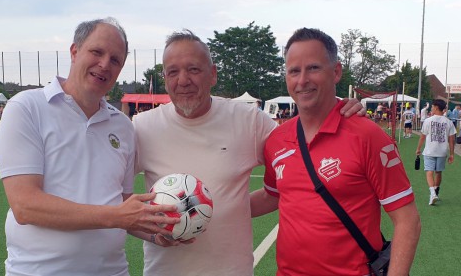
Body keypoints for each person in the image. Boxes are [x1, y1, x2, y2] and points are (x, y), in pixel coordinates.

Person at [133, 29, 365, 276]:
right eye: (173, 72)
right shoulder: (141, 127)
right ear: (164, 77)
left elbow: (304, 155)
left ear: (213, 74)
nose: (183, 80)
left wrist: (337, 109)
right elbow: (116, 200)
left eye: (194, 69)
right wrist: (153, 233)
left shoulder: (248, 121)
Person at [0, 17, 179, 276]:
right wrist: (117, 217)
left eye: (115, 60)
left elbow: (122, 203)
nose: (105, 64)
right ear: (74, 51)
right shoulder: (26, 108)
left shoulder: (123, 126)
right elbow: (26, 205)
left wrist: (154, 233)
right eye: (97, 52)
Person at [251, 28, 421, 275]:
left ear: (336, 71)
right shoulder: (277, 139)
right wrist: (219, 207)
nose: (302, 80)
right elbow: (273, 195)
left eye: (313, 68)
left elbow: (408, 221)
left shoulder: (368, 136)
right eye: (294, 71)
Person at [416, 99, 456, 205]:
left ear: (436, 108)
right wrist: (452, 154)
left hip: (430, 150)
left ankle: (432, 193)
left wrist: (418, 148)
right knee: (438, 172)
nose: (431, 109)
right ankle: (436, 191)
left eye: (432, 107)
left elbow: (422, 136)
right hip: (442, 151)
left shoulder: (428, 121)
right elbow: (452, 140)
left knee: (429, 172)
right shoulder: (449, 122)